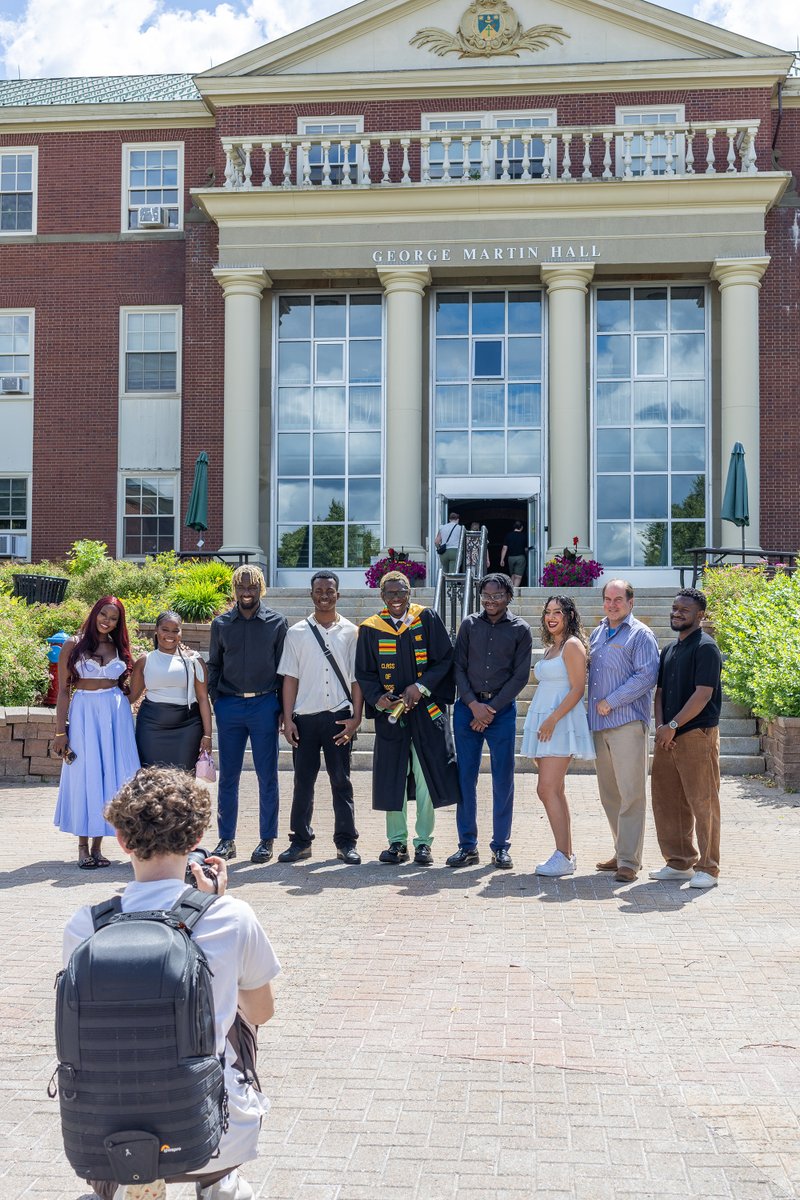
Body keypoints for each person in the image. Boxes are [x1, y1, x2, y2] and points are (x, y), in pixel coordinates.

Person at [62, 766, 279, 1200]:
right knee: (237, 1017)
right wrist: (215, 904)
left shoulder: (85, 925)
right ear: (195, 841)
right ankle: (218, 1185)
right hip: (210, 1133)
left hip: (100, 1136)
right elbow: (260, 1012)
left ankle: (130, 1185)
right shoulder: (230, 916)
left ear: (122, 841)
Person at [355, 570, 460, 865]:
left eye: (401, 592)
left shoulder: (426, 618)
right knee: (394, 777)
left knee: (427, 777)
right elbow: (364, 672)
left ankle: (424, 843)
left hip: (426, 712)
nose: (396, 598)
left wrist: (420, 686)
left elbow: (445, 659)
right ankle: (397, 843)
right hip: (392, 715)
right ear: (381, 596)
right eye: (390, 593)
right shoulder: (371, 628)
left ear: (410, 592)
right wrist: (378, 698)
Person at [276, 570, 363, 866]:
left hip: (339, 717)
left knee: (341, 780)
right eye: (319, 590)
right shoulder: (296, 632)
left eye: (330, 590)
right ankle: (300, 841)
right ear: (311, 594)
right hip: (305, 718)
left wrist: (356, 718)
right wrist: (288, 720)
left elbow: (356, 681)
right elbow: (290, 678)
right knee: (303, 781)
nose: (324, 595)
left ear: (338, 594)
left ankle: (346, 842)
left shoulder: (352, 632)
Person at [447, 573, 532, 870]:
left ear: (508, 596)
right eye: (486, 596)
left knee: (502, 779)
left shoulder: (521, 629)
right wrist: (473, 705)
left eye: (497, 596)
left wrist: (490, 709)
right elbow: (458, 667)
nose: (491, 601)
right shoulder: (469, 624)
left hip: (501, 711)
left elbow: (520, 676)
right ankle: (467, 846)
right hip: (467, 709)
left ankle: (501, 847)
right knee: (465, 779)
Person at [207, 565, 288, 864]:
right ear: (234, 589)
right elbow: (214, 665)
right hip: (230, 706)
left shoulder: (277, 623)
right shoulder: (221, 624)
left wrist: (281, 708)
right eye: (241, 587)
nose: (246, 592)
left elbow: (284, 670)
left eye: (252, 587)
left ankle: (266, 839)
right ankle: (226, 839)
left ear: (261, 588)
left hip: (265, 705)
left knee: (267, 776)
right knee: (228, 777)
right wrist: (217, 700)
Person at [52, 595, 139, 870]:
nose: (107, 622)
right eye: (104, 615)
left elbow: (133, 682)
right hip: (84, 713)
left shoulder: (118, 646)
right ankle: (82, 847)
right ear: (95, 613)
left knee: (110, 774)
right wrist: (60, 732)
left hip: (115, 714)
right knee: (84, 773)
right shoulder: (73, 645)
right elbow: (64, 692)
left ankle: (99, 846)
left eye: (113, 619)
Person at [649, 588, 723, 890]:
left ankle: (708, 867)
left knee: (703, 801)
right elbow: (660, 693)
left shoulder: (706, 648)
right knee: (668, 801)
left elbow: (703, 694)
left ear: (700, 615)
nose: (677, 613)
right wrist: (661, 727)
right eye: (675, 608)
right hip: (668, 736)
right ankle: (679, 862)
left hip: (696, 734)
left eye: (685, 610)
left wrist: (675, 724)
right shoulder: (669, 650)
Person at [588, 580, 660, 883]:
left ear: (631, 602)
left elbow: (647, 676)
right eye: (608, 599)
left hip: (627, 723)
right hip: (598, 724)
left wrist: (612, 701)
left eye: (618, 599)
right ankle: (621, 850)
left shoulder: (641, 634)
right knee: (610, 793)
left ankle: (630, 861)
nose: (612, 604)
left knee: (631, 793)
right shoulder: (597, 632)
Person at [521, 595, 594, 876]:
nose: (551, 617)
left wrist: (552, 719)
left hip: (560, 724)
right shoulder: (553, 646)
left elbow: (577, 689)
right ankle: (566, 855)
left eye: (558, 612)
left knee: (546, 789)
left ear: (569, 616)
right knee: (555, 790)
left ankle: (563, 855)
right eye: (548, 612)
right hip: (546, 722)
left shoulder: (573, 646)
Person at [129, 610, 213, 773]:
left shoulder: (194, 660)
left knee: (184, 779)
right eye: (165, 629)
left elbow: (203, 698)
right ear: (156, 631)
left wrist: (208, 734)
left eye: (176, 630)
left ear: (181, 632)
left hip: (187, 728)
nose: (170, 634)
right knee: (150, 780)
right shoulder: (145, 661)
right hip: (150, 728)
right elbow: (132, 696)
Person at [499, 519, 528, 589]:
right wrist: (527, 556)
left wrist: (502, 559)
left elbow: (504, 548)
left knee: (513, 575)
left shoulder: (508, 535)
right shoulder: (524, 536)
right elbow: (526, 549)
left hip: (510, 558)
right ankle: (514, 591)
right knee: (518, 576)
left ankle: (510, 589)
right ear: (521, 527)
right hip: (520, 557)